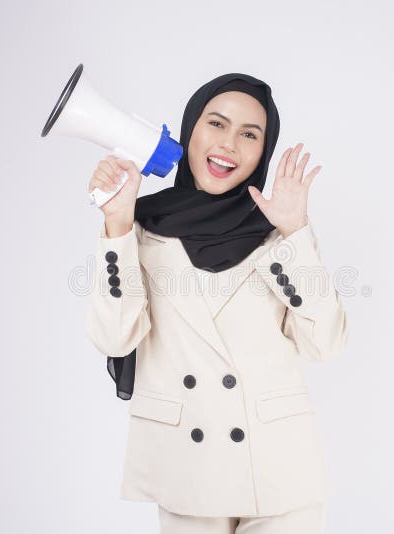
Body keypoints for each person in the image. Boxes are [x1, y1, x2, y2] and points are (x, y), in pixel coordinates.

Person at [85, 73, 348, 534]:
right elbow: (114, 336)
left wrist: (296, 231)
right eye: (216, 124)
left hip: (280, 474)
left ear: (263, 152)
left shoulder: (278, 233)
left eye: (250, 134)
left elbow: (326, 345)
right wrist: (117, 222)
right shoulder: (138, 229)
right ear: (190, 132)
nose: (229, 144)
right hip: (187, 470)